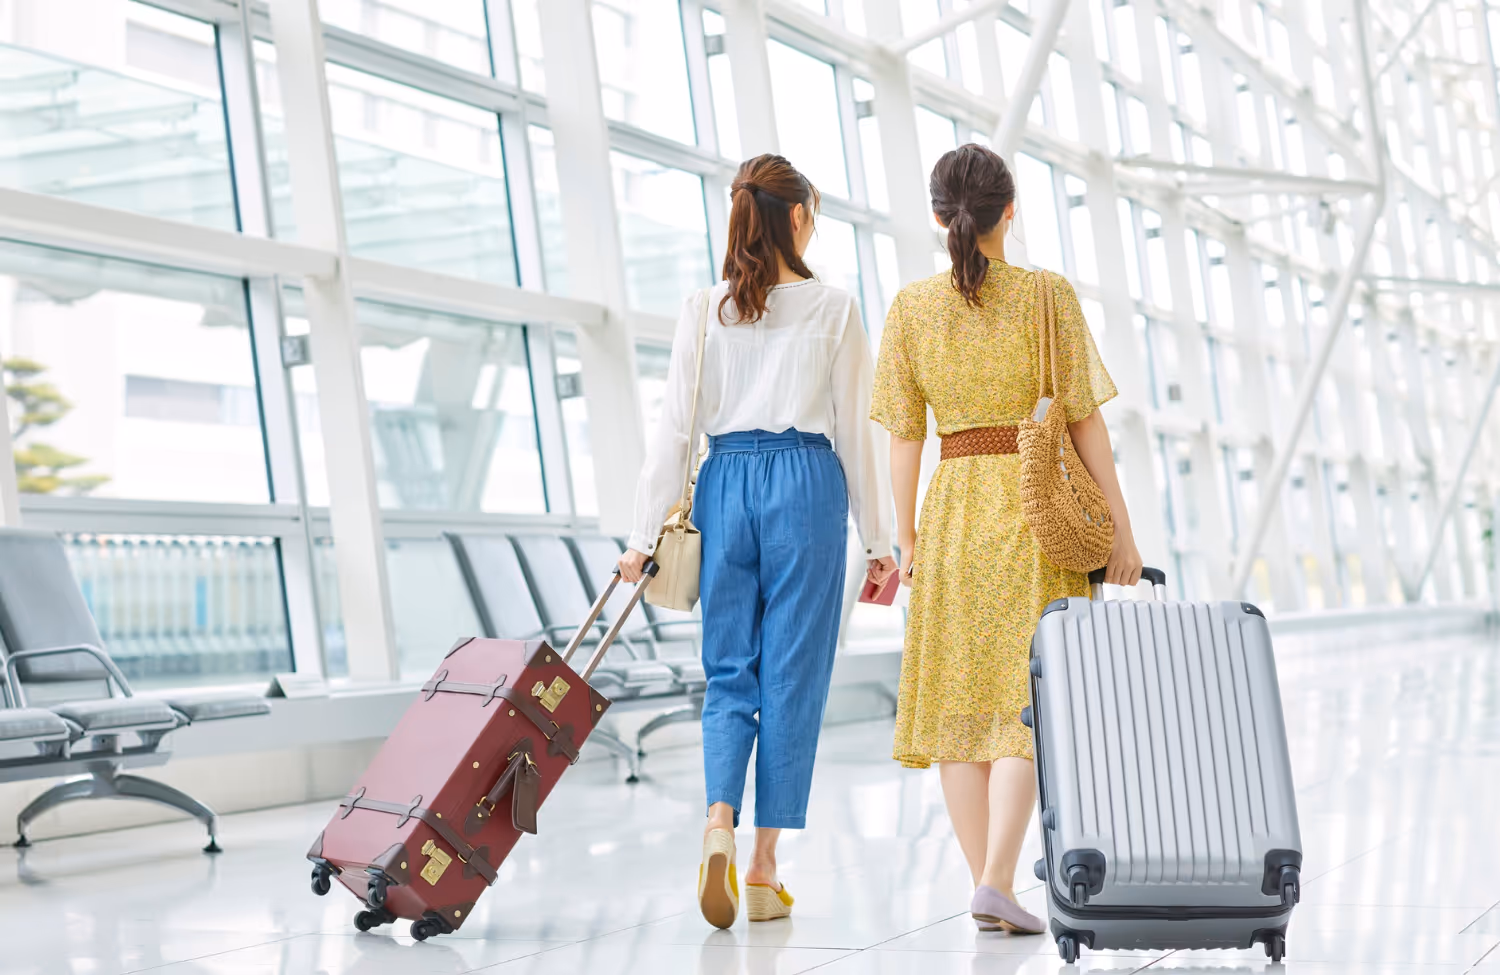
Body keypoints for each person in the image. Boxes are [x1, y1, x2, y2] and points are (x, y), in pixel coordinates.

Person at [619, 153, 897, 929]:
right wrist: (880, 543)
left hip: (724, 484)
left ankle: (717, 819)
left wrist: (643, 538)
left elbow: (673, 431)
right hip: (805, 486)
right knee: (792, 677)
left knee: (729, 669)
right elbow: (853, 434)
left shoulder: (702, 309)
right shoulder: (834, 309)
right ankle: (765, 866)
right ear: (799, 216)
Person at [870, 144, 1143, 934]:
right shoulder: (1046, 295)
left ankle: (987, 884)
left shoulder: (910, 307)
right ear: (1009, 210)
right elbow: (1087, 423)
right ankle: (996, 876)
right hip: (1034, 509)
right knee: (1033, 695)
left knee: (962, 704)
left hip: (953, 507)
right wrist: (1120, 531)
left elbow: (903, 436)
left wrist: (909, 533)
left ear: (937, 216)